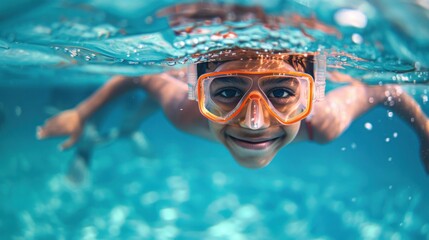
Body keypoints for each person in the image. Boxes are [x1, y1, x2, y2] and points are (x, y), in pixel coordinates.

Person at [36, 49, 429, 174]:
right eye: (226, 92)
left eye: (280, 92)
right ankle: (129, 124)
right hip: (174, 101)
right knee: (150, 103)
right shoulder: (185, 109)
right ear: (200, 93)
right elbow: (141, 77)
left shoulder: (321, 121)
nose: (254, 122)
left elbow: (386, 88)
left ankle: (130, 124)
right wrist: (82, 113)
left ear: (312, 98)